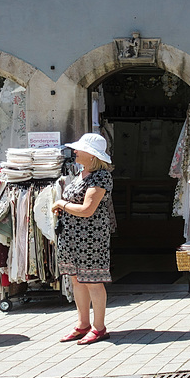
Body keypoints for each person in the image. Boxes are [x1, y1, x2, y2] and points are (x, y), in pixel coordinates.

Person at [52, 133, 114, 345]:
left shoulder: (101, 177)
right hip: (71, 237)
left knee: (93, 281)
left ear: (91, 155)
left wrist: (62, 205)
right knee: (77, 280)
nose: (75, 152)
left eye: (79, 149)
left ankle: (99, 327)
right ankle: (82, 324)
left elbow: (88, 210)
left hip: (90, 239)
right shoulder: (81, 174)